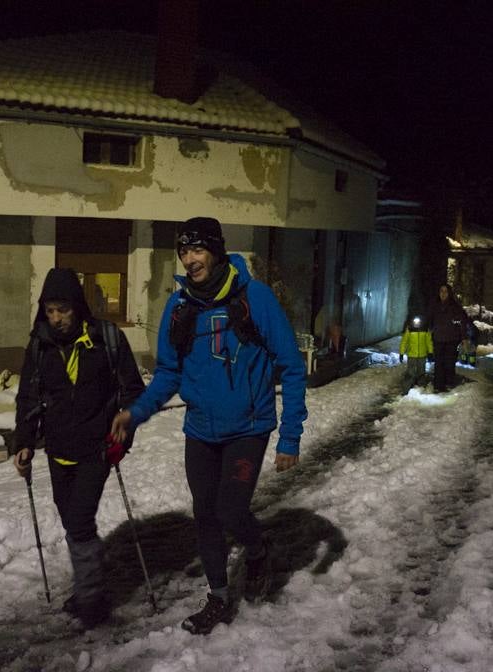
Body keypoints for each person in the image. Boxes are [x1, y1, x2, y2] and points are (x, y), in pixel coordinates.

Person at [110, 217, 307, 635]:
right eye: (184, 251)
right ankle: (217, 597)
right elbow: (167, 373)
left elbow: (291, 366)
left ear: (216, 250)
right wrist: (135, 413)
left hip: (248, 427)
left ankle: (257, 548)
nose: (190, 259)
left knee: (230, 509)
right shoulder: (180, 306)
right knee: (205, 515)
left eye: (197, 249)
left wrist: (290, 434)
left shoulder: (255, 297)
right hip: (200, 428)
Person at [12, 268, 146, 628]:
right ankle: (91, 581)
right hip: (58, 449)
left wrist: (124, 431)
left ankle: (90, 598)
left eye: (63, 310)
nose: (56, 318)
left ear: (77, 307)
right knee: (72, 520)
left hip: (97, 448)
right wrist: (24, 442)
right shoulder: (40, 345)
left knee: (80, 520)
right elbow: (28, 396)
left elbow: (133, 390)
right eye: (50, 311)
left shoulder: (106, 339)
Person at [427, 284, 471, 393]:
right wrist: (430, 329)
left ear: (449, 293)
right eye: (441, 291)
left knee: (449, 363)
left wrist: (464, 338)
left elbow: (462, 323)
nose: (443, 293)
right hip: (438, 339)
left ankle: (449, 384)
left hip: (452, 340)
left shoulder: (455, 307)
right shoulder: (435, 306)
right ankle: (438, 385)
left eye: (445, 291)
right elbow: (430, 320)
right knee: (438, 364)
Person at [399, 315, 432, 383]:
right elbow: (404, 342)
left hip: (422, 355)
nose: (417, 323)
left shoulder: (425, 330)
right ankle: (409, 385)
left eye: (418, 322)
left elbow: (429, 342)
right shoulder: (410, 330)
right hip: (412, 355)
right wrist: (401, 353)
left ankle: (420, 386)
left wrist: (430, 352)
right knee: (410, 372)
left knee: (421, 372)